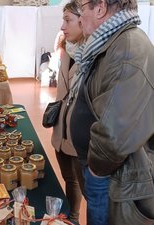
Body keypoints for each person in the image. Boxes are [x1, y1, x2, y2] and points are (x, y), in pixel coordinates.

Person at [69, 0, 154, 224]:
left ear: (100, 8)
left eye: (83, 8)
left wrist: (96, 170)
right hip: (103, 172)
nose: (80, 17)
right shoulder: (112, 41)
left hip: (110, 177)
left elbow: (114, 135)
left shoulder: (127, 48)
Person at [51, 0, 84, 222]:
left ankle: (73, 216)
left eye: (67, 20)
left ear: (83, 22)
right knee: (66, 176)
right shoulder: (66, 50)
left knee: (76, 180)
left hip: (77, 131)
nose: (62, 26)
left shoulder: (92, 55)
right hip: (60, 127)